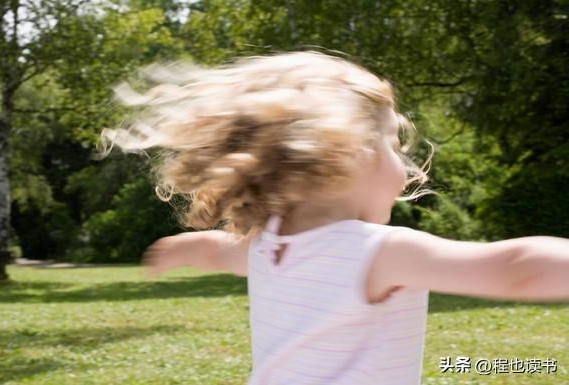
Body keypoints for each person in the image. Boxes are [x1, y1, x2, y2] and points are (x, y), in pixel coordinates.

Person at [101, 51, 569, 385]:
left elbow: (219, 253)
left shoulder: (271, 245)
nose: (407, 167)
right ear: (344, 156)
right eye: (392, 144)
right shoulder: (378, 251)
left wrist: (183, 249)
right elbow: (514, 268)